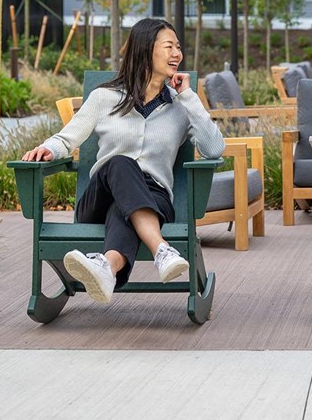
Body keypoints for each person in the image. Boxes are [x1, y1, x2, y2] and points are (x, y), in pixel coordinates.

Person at [21, 18, 225, 304]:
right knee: (120, 163)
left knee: (124, 207)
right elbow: (67, 138)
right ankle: (162, 249)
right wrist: (47, 149)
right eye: (169, 46)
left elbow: (214, 149)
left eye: (178, 47)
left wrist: (189, 97)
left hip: (155, 199)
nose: (177, 54)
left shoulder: (181, 106)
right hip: (99, 198)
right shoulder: (104, 97)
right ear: (145, 49)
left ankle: (106, 267)